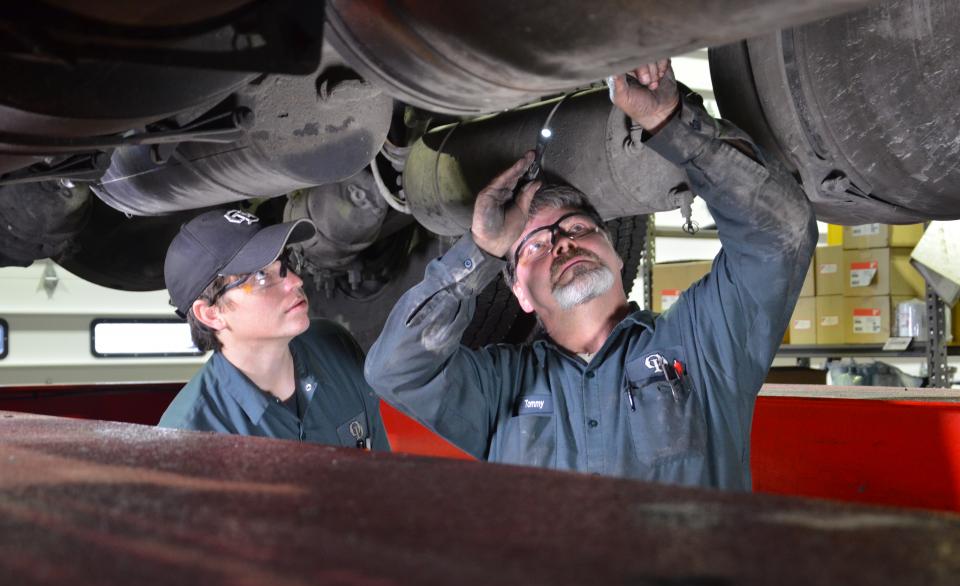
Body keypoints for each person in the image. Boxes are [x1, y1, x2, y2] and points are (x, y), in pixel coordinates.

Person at [364, 59, 815, 489]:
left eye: (578, 227)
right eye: (536, 246)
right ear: (519, 292)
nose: (563, 242)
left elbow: (779, 235)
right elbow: (395, 370)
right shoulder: (500, 388)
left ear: (616, 256)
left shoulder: (700, 346)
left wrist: (672, 124)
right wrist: (480, 251)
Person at [159, 208, 389, 451]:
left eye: (286, 263)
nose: (295, 281)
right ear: (211, 313)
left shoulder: (334, 345)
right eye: (260, 276)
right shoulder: (189, 438)